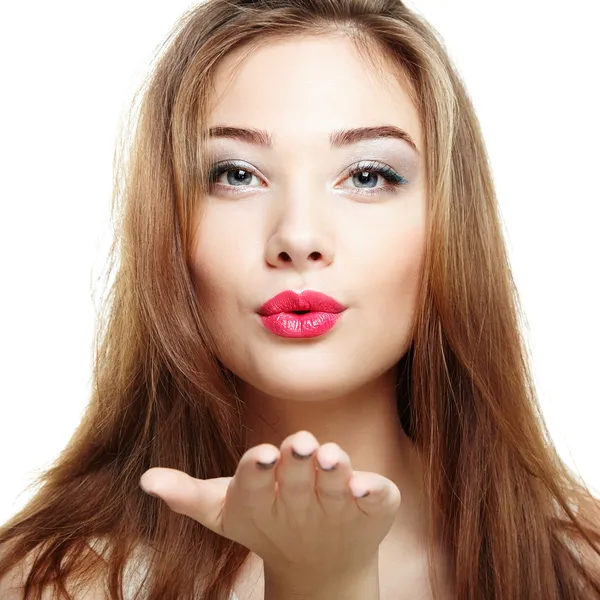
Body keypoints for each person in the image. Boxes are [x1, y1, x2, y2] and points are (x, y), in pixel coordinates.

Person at [1, 0, 599, 598]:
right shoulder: (47, 582)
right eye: (236, 174)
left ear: (450, 223)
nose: (298, 238)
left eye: (367, 176)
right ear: (168, 228)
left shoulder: (578, 569)